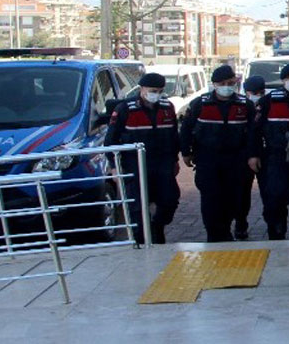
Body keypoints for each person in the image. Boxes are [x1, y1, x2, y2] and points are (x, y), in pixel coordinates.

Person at [180, 65, 255, 242]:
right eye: (222, 83)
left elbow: (253, 133)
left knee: (233, 198)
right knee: (210, 198)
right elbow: (186, 129)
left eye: (230, 82)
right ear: (214, 84)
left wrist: (253, 155)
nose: (227, 86)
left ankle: (226, 229)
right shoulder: (200, 104)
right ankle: (214, 235)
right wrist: (185, 152)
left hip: (236, 159)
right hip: (207, 159)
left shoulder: (245, 105)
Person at [105, 72, 180, 244]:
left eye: (160, 91)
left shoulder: (167, 107)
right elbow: (110, 141)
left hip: (162, 165)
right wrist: (114, 167)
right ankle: (142, 243)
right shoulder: (125, 109)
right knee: (137, 210)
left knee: (169, 201)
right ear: (142, 89)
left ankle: (157, 226)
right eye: (153, 90)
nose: (157, 94)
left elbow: (174, 136)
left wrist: (175, 159)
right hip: (134, 166)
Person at [249, 62, 289, 240]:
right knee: (275, 197)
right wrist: (253, 155)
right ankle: (276, 232)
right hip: (277, 156)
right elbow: (255, 130)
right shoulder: (268, 100)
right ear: (283, 80)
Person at [234, 75, 266, 240]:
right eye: (253, 92)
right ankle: (238, 223)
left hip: (262, 155)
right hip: (240, 155)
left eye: (260, 92)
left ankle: (241, 223)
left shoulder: (267, 103)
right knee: (237, 192)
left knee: (246, 193)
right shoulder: (242, 105)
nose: (257, 95)